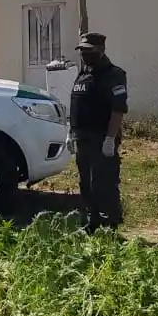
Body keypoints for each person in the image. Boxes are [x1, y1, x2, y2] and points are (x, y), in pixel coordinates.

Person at [67, 32, 128, 233]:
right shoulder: (84, 73)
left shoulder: (114, 74)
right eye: (82, 51)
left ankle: (110, 224)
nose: (85, 54)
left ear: (101, 50)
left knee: (103, 182)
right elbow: (77, 103)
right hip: (82, 138)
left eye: (89, 51)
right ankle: (91, 223)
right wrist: (70, 131)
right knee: (85, 182)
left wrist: (110, 139)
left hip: (101, 137)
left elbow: (118, 109)